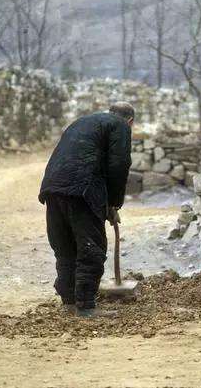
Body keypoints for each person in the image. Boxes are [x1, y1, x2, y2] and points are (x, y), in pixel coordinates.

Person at [38, 102, 134, 317]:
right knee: (91, 248)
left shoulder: (82, 121)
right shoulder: (120, 126)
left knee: (65, 247)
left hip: (52, 187)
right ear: (130, 121)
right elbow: (119, 164)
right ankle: (86, 306)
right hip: (82, 188)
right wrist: (113, 204)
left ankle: (69, 301)